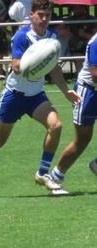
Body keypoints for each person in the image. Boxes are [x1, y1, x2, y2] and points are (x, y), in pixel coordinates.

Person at [0, 0, 81, 198]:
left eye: (47, 15)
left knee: (56, 126)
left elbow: (53, 68)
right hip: (14, 95)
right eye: (40, 15)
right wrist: (29, 62)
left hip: (35, 96)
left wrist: (66, 92)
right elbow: (17, 65)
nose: (44, 19)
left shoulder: (51, 38)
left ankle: (43, 173)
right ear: (31, 15)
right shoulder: (22, 36)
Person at [50, 31, 97, 190]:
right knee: (82, 140)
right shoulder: (95, 42)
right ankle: (56, 177)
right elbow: (95, 75)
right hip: (88, 93)